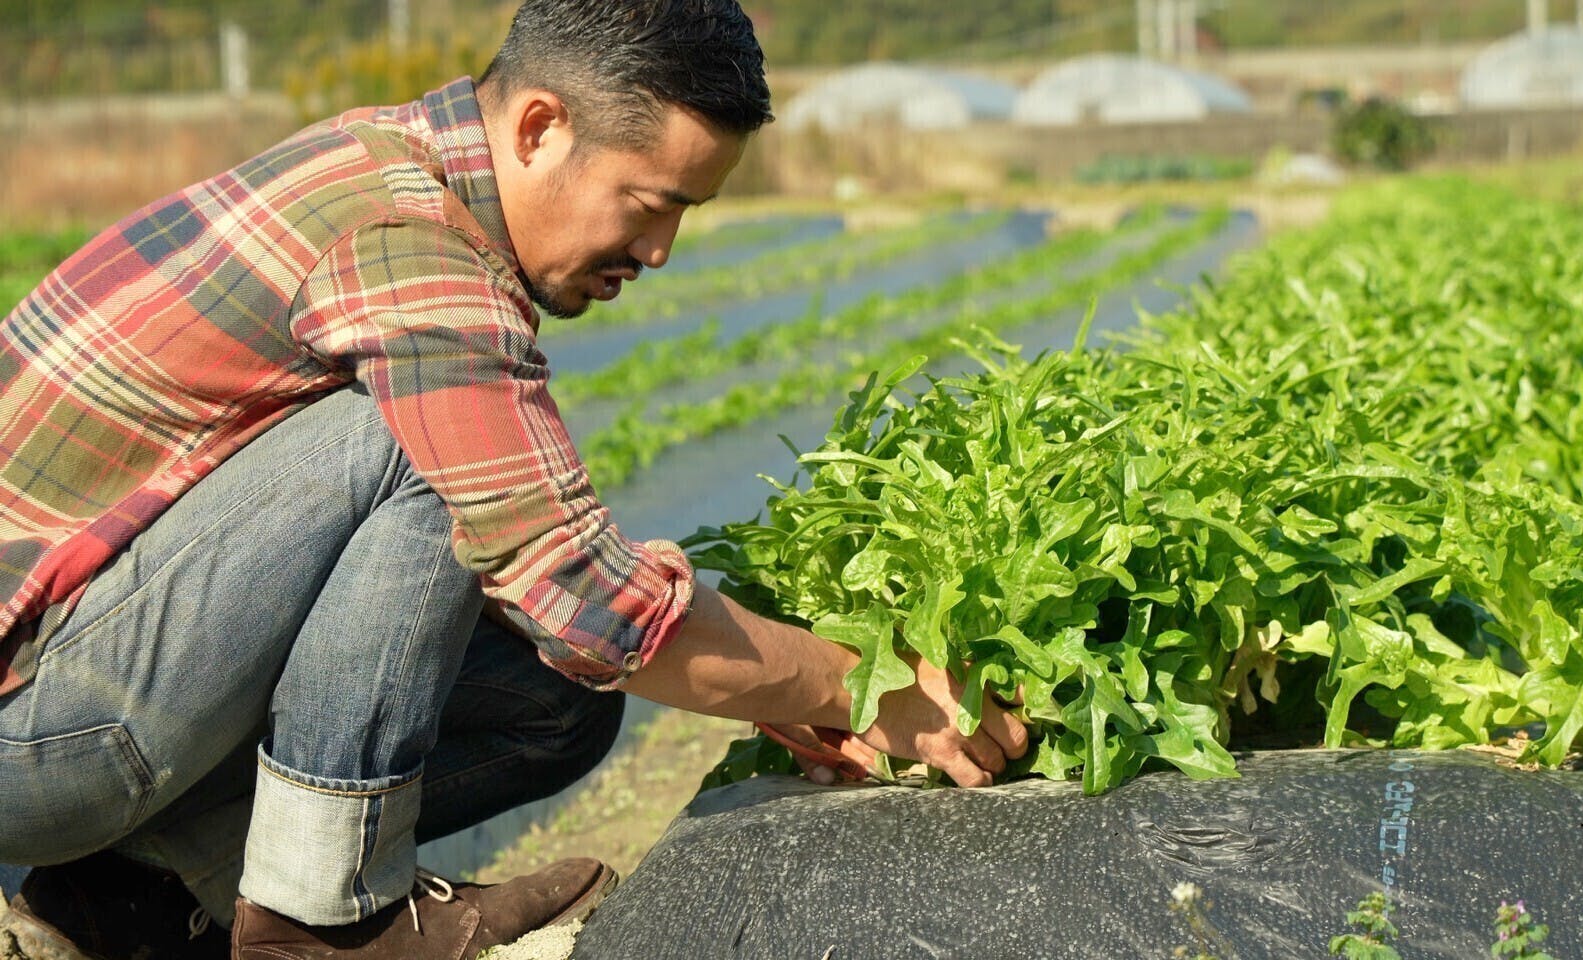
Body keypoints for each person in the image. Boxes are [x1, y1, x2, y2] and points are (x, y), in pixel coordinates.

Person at [0, 1, 1028, 957]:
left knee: (554, 704)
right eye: (651, 202)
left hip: (79, 687)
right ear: (539, 127)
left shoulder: (392, 172)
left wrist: (759, 674)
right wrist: (863, 684)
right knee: (413, 443)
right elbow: (575, 587)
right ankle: (325, 917)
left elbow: (555, 612)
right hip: (33, 737)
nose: (663, 250)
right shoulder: (410, 244)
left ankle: (117, 902)